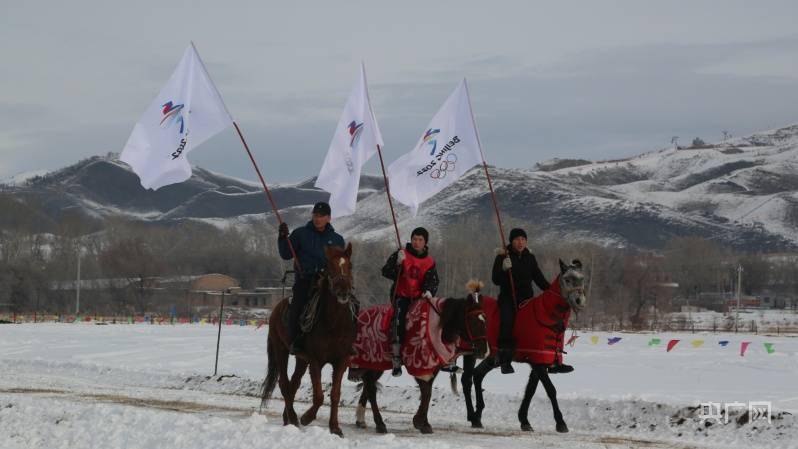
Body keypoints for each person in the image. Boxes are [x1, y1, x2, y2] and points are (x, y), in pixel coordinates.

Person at [278, 201, 345, 355]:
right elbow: (286, 254)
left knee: (351, 304)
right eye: (315, 215)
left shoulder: (337, 239)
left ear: (329, 218)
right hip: (306, 279)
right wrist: (282, 238)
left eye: (321, 216)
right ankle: (294, 340)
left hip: (329, 283)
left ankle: (348, 341)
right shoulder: (300, 234)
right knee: (298, 305)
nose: (317, 219)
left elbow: (341, 263)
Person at [381, 227, 439, 376]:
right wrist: (397, 264)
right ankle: (396, 357)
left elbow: (433, 281)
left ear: (425, 242)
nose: (416, 242)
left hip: (420, 298)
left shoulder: (429, 262)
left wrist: (429, 291)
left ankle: (436, 352)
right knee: (399, 319)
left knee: (433, 320)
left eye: (420, 240)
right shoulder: (401, 254)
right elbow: (386, 272)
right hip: (402, 295)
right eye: (414, 239)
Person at [492, 228, 550, 374]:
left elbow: (538, 278)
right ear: (511, 241)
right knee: (507, 322)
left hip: (527, 299)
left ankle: (546, 356)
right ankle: (504, 359)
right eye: (517, 239)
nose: (520, 242)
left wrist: (551, 291)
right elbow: (495, 280)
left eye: (523, 239)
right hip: (508, 298)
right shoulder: (502, 256)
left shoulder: (530, 257)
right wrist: (504, 269)